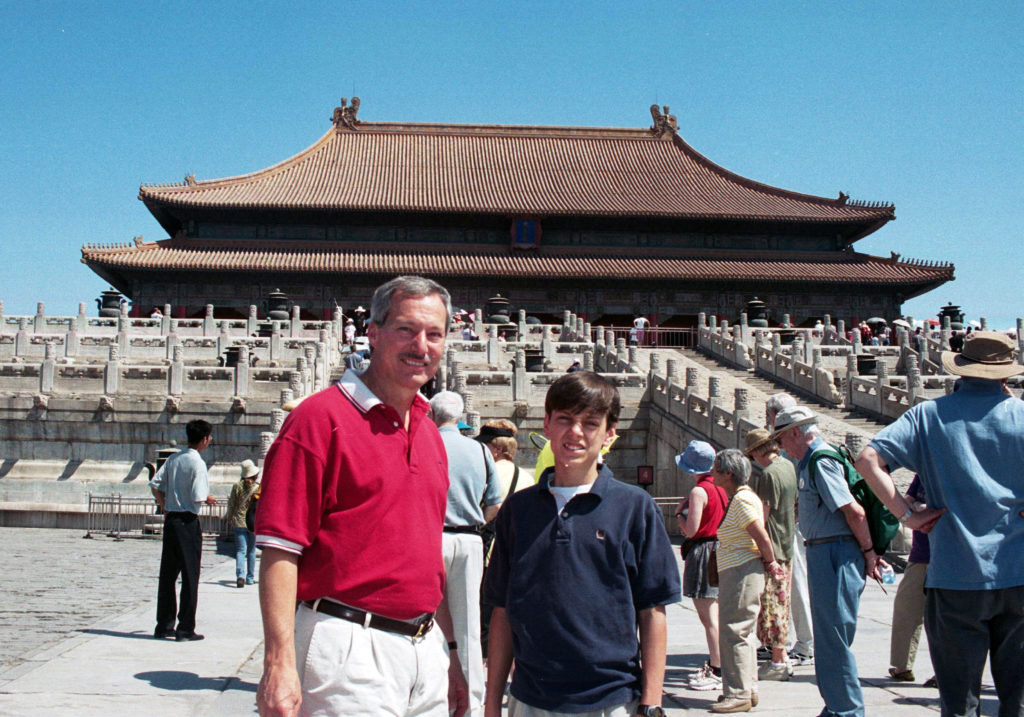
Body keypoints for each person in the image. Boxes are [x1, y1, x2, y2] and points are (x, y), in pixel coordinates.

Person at [254, 275, 468, 717]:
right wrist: (278, 662)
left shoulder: (429, 432)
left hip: (423, 646)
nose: (420, 346)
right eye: (406, 329)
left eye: (434, 334)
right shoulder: (318, 420)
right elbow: (279, 549)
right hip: (347, 642)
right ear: (372, 332)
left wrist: (449, 654)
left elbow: (427, 558)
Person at [483, 371, 679, 717]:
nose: (575, 432)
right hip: (530, 698)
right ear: (546, 425)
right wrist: (491, 703)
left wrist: (651, 703)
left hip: (611, 698)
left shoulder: (634, 507)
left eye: (590, 423)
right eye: (564, 419)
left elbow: (652, 610)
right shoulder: (519, 509)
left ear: (609, 433)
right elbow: (503, 610)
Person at [856, 330, 1024, 716]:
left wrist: (907, 515)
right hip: (1018, 572)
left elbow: (867, 460)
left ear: (961, 368)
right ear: (1005, 373)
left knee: (959, 701)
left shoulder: (928, 416)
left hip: (955, 574)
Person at [772, 406, 885, 717]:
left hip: (836, 552)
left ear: (796, 432)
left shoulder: (821, 461)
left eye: (781, 438)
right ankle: (836, 705)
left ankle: (846, 710)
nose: (781, 447)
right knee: (829, 636)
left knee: (833, 638)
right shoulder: (811, 461)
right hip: (826, 550)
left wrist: (868, 552)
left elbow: (855, 512)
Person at [430, 391, 503, 717]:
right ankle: (473, 701)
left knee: (427, 619)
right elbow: (494, 502)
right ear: (461, 419)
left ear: (432, 414)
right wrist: (476, 526)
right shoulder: (478, 450)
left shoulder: (424, 444)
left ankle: (433, 691)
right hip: (470, 541)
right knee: (470, 624)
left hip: (431, 540)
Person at [712, 448, 787, 713]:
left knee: (734, 631)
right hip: (739, 569)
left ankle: (738, 692)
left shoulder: (742, 500)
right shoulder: (743, 496)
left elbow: (761, 535)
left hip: (742, 570)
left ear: (728, 474)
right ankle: (747, 689)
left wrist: (771, 562)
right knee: (740, 631)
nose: (712, 473)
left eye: (715, 468)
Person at [150, 419, 218, 641]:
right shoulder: (197, 463)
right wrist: (207, 499)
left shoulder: (173, 458)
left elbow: (155, 484)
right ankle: (185, 628)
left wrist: (164, 506)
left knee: (168, 575)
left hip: (171, 521)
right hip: (188, 522)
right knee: (190, 576)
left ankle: (164, 625)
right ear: (205, 439)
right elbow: (198, 495)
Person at [743, 429, 797, 682]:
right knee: (783, 602)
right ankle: (782, 655)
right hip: (787, 540)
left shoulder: (768, 475)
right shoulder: (788, 466)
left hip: (772, 546)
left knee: (773, 604)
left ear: (756, 452)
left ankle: (778, 658)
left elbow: (761, 517)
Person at [675, 440, 728, 692]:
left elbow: (692, 530)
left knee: (709, 617)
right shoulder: (723, 487)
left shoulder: (699, 492)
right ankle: (721, 663)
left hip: (704, 551)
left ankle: (717, 669)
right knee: (719, 613)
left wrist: (679, 516)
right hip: (722, 548)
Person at [765, 393, 813, 666]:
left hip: (793, 525)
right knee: (788, 586)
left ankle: (805, 643)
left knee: (797, 585)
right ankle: (782, 640)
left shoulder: (792, 444)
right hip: (792, 522)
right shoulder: (793, 439)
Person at [886, 476, 934, 686]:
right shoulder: (922, 471)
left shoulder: (953, 467)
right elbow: (906, 500)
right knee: (906, 607)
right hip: (920, 554)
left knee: (943, 618)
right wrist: (916, 507)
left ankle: (948, 671)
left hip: (947, 556)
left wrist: (926, 509)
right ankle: (902, 666)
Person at [225, 459, 261, 588]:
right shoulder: (257, 487)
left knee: (241, 551)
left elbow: (232, 504)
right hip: (252, 523)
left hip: (239, 521)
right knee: (251, 551)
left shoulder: (237, 486)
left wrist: (229, 517)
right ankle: (250, 578)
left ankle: (240, 575)